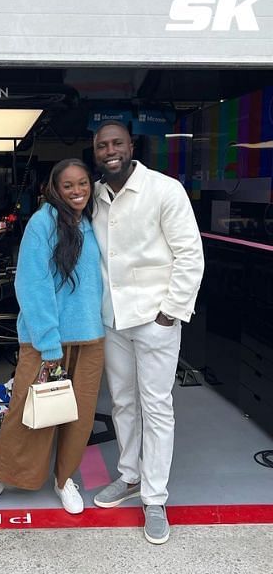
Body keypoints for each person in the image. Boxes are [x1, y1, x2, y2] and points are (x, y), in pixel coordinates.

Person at [87, 121, 204, 545]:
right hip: (112, 318)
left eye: (116, 143)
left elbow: (190, 254)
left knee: (156, 406)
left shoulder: (164, 189)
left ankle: (154, 497)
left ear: (131, 146)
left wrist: (169, 313)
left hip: (155, 318)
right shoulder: (97, 195)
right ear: (95, 151)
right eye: (102, 145)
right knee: (122, 401)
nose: (110, 150)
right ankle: (129, 476)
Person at [0, 158, 106, 518]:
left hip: (90, 337)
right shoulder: (42, 223)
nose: (77, 191)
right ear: (54, 189)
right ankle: (0, 475)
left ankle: (64, 480)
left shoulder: (93, 221)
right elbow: (32, 285)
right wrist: (49, 344)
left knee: (78, 417)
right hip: (46, 340)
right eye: (68, 185)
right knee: (27, 414)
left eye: (83, 184)